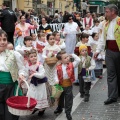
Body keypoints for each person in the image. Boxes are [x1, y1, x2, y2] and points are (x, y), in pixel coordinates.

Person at [94, 4, 120, 105]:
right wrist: (98, 50)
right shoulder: (105, 24)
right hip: (109, 51)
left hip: (119, 51)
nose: (105, 14)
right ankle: (112, 96)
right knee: (111, 74)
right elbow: (102, 39)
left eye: (107, 11)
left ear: (113, 12)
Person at [0, 30, 26, 120]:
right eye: (0, 40)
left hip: (10, 87)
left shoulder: (14, 54)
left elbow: (21, 68)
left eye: (4, 39)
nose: (2, 42)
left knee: (10, 112)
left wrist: (21, 75)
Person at [54, 50, 80, 120]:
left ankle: (68, 112)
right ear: (60, 60)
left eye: (67, 57)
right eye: (65, 58)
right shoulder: (58, 67)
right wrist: (56, 80)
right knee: (60, 98)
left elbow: (78, 60)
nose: (67, 58)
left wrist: (72, 55)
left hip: (68, 85)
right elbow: (55, 75)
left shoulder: (72, 64)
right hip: (60, 85)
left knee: (69, 100)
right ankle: (59, 108)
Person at [27, 49, 49, 116]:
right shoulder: (29, 66)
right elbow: (26, 74)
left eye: (35, 56)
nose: (33, 58)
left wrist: (34, 74)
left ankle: (41, 109)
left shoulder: (39, 65)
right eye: (31, 56)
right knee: (31, 95)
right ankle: (34, 107)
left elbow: (42, 75)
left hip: (40, 84)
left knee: (40, 96)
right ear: (29, 58)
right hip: (33, 84)